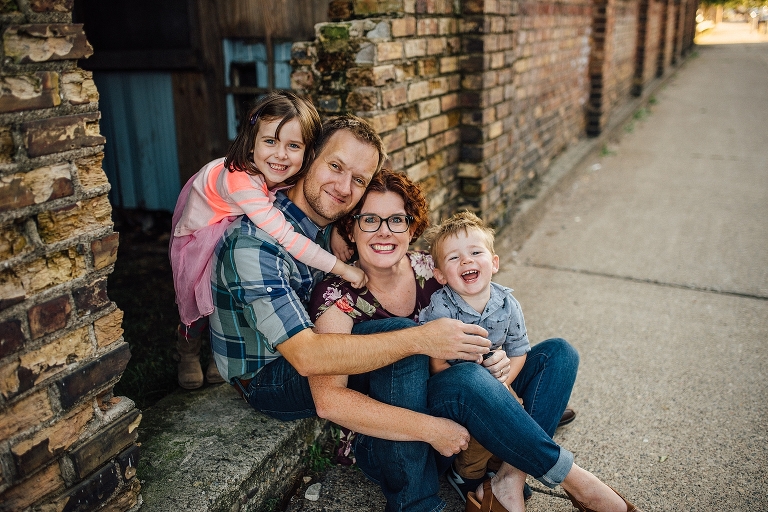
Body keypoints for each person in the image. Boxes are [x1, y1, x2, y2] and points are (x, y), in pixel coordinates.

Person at [308, 169, 643, 512]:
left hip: (464, 403)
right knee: (464, 377)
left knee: (558, 354)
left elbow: (483, 312)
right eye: (369, 220)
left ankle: (510, 477)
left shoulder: (430, 268)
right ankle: (576, 481)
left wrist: (497, 359)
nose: (384, 231)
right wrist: (433, 427)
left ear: (412, 228)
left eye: (396, 219)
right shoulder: (336, 297)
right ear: (350, 227)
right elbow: (331, 402)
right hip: (396, 438)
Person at [168, 92, 365, 389]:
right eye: (270, 141)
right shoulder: (242, 181)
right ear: (252, 141)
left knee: (226, 290)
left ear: (307, 153)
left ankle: (214, 350)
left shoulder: (283, 172)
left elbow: (330, 198)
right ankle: (187, 347)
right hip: (205, 226)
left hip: (239, 214)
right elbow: (289, 238)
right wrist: (344, 269)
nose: (281, 155)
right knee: (197, 296)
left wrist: (337, 225)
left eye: (293, 145)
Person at [418, 211, 531, 502]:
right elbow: (434, 362)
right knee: (482, 419)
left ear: (494, 263)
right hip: (455, 388)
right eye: (454, 258)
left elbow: (519, 351)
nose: (466, 260)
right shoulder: (441, 307)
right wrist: (479, 387)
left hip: (496, 379)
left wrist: (503, 382)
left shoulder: (507, 303)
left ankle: (500, 467)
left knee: (513, 407)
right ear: (441, 275)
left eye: (475, 252)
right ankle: (467, 472)